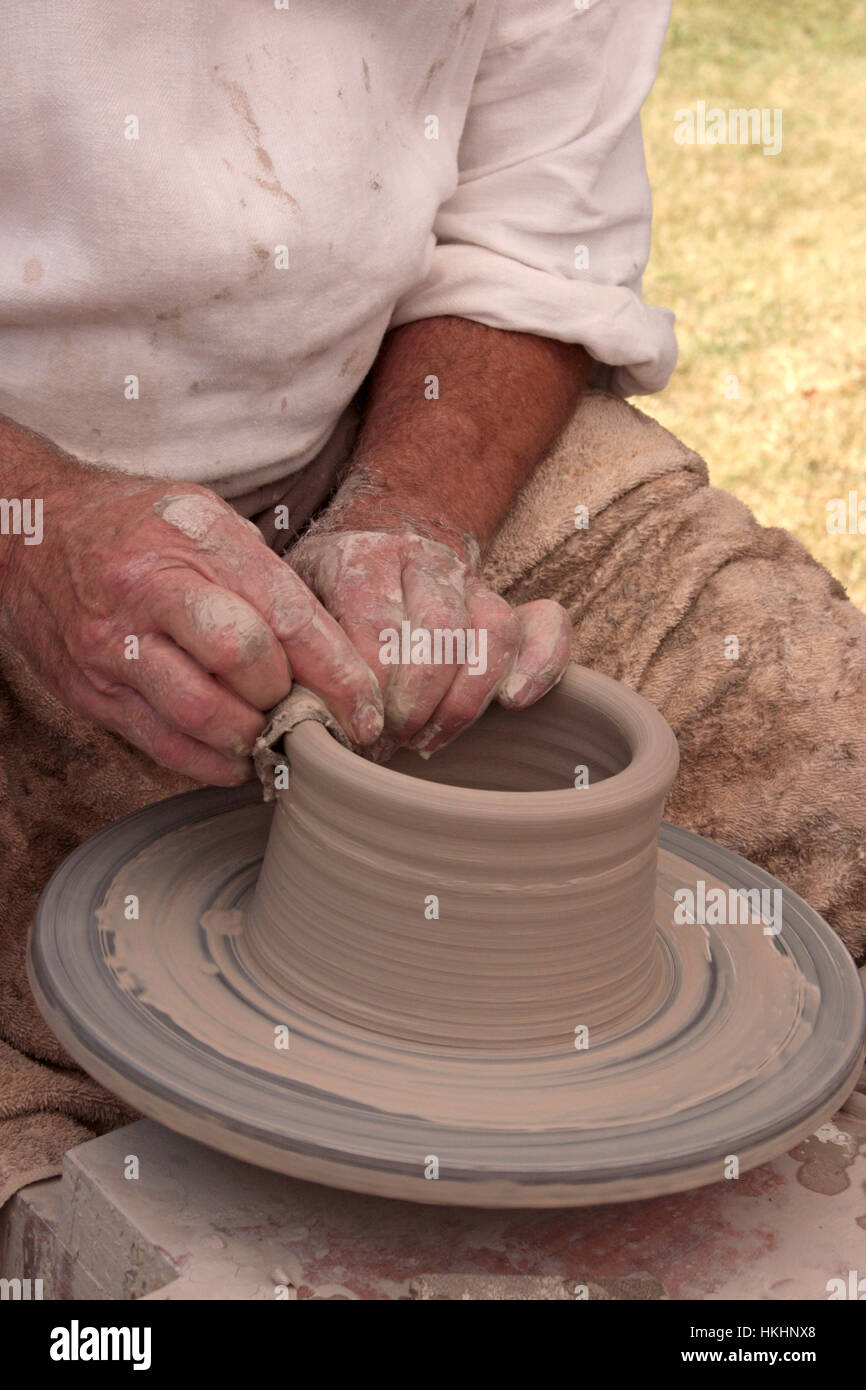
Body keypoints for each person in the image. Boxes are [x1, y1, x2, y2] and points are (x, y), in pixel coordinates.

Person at [1, 2, 864, 1205]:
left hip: (377, 411)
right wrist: (33, 530)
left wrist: (406, 511)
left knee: (819, 737)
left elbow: (529, 236)